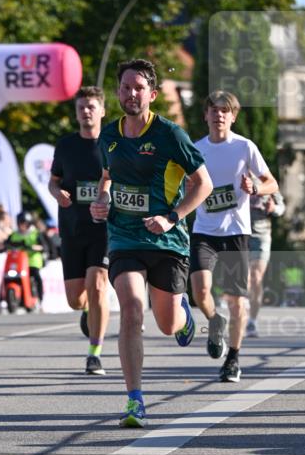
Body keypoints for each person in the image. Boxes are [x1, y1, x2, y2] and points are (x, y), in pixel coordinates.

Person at [90, 58, 212, 428]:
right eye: (125, 87)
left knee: (166, 323)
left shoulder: (170, 135)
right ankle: (135, 399)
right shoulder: (108, 136)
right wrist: (101, 202)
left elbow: (202, 184)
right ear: (118, 92)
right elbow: (107, 178)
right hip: (124, 236)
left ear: (152, 94)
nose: (131, 94)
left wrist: (172, 217)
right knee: (130, 308)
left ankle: (182, 315)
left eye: (138, 88)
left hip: (167, 241)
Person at [190, 91, 279, 382]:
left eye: (224, 111)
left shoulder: (244, 147)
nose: (219, 115)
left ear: (233, 116)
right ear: (206, 115)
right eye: (213, 110)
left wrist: (255, 188)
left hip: (236, 231)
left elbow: (271, 183)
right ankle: (214, 321)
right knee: (200, 291)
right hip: (204, 229)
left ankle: (233, 358)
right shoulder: (195, 149)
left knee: (237, 301)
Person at [49, 86, 110, 376]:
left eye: (91, 106)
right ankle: (88, 312)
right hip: (72, 228)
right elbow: (54, 180)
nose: (85, 111)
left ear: (102, 111)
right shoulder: (65, 146)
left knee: (98, 286)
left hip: (103, 229)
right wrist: (57, 193)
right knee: (76, 299)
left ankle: (94, 353)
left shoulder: (113, 143)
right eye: (81, 107)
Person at [246, 190, 286, 336]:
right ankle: (240, 311)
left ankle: (252, 321)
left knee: (256, 277)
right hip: (240, 234)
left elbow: (281, 207)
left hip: (261, 237)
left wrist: (274, 208)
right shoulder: (235, 174)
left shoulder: (266, 179)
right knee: (245, 278)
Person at [6, 211, 45, 305]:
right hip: (18, 263)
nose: (22, 226)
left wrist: (32, 247)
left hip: (32, 262)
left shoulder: (35, 233)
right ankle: (3, 300)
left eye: (24, 223)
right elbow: (6, 244)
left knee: (36, 277)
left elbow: (43, 246)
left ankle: (40, 299)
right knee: (6, 277)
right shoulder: (14, 234)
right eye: (20, 223)